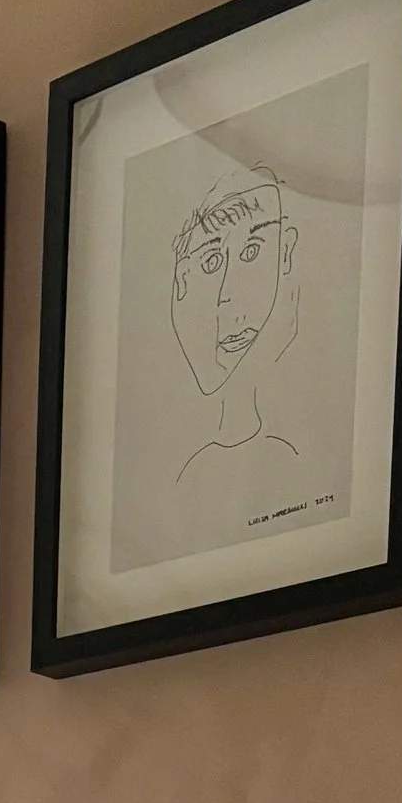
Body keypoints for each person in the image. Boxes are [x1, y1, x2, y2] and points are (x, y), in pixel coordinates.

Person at [168, 163, 305, 536]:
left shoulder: (296, 456)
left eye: (252, 252)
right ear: (182, 282)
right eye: (211, 262)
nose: (228, 294)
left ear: (286, 254)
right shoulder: (188, 477)